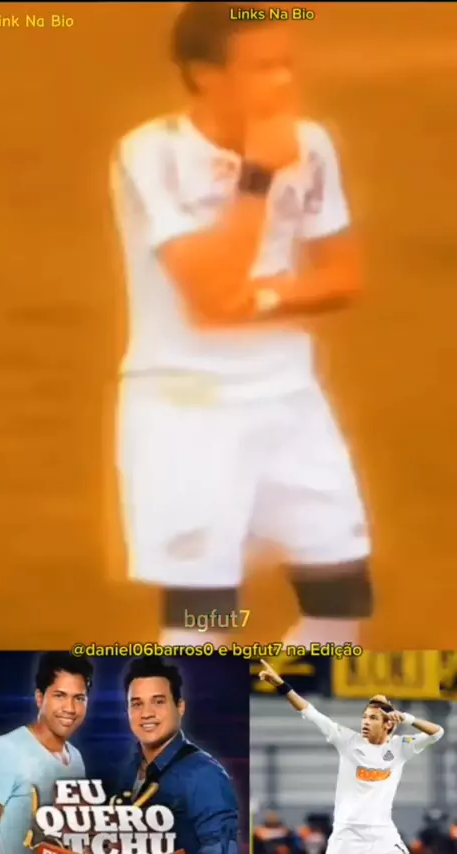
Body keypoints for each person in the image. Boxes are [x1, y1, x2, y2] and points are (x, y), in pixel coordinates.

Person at [110, 0, 372, 647]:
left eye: (287, 64)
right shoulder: (151, 154)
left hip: (291, 400)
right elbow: (209, 294)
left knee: (342, 599)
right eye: (263, 68)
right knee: (206, 622)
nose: (283, 82)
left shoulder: (311, 144)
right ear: (206, 75)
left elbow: (344, 277)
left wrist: (261, 299)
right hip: (187, 407)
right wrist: (258, 176)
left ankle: (286, 708)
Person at [259, 660, 445, 854]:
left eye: (373, 718)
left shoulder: (400, 747)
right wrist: (282, 685)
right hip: (346, 833)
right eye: (364, 717)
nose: (365, 722)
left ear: (388, 724)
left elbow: (437, 733)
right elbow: (309, 712)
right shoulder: (347, 740)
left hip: (381, 833)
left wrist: (407, 718)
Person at [120, 655, 239, 854]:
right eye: (137, 704)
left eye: (158, 702)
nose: (146, 713)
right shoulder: (130, 769)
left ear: (180, 707)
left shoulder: (203, 774)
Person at [0, 651, 92, 854]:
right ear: (40, 698)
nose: (70, 708)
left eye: (79, 698)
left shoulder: (76, 758)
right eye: (60, 695)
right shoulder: (8, 749)